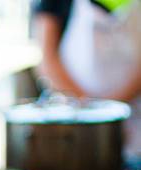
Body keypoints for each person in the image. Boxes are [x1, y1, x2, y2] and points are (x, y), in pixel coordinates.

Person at [34, 0, 141, 154]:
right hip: (75, 124)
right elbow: (48, 60)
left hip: (134, 123)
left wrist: (116, 108)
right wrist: (94, 110)